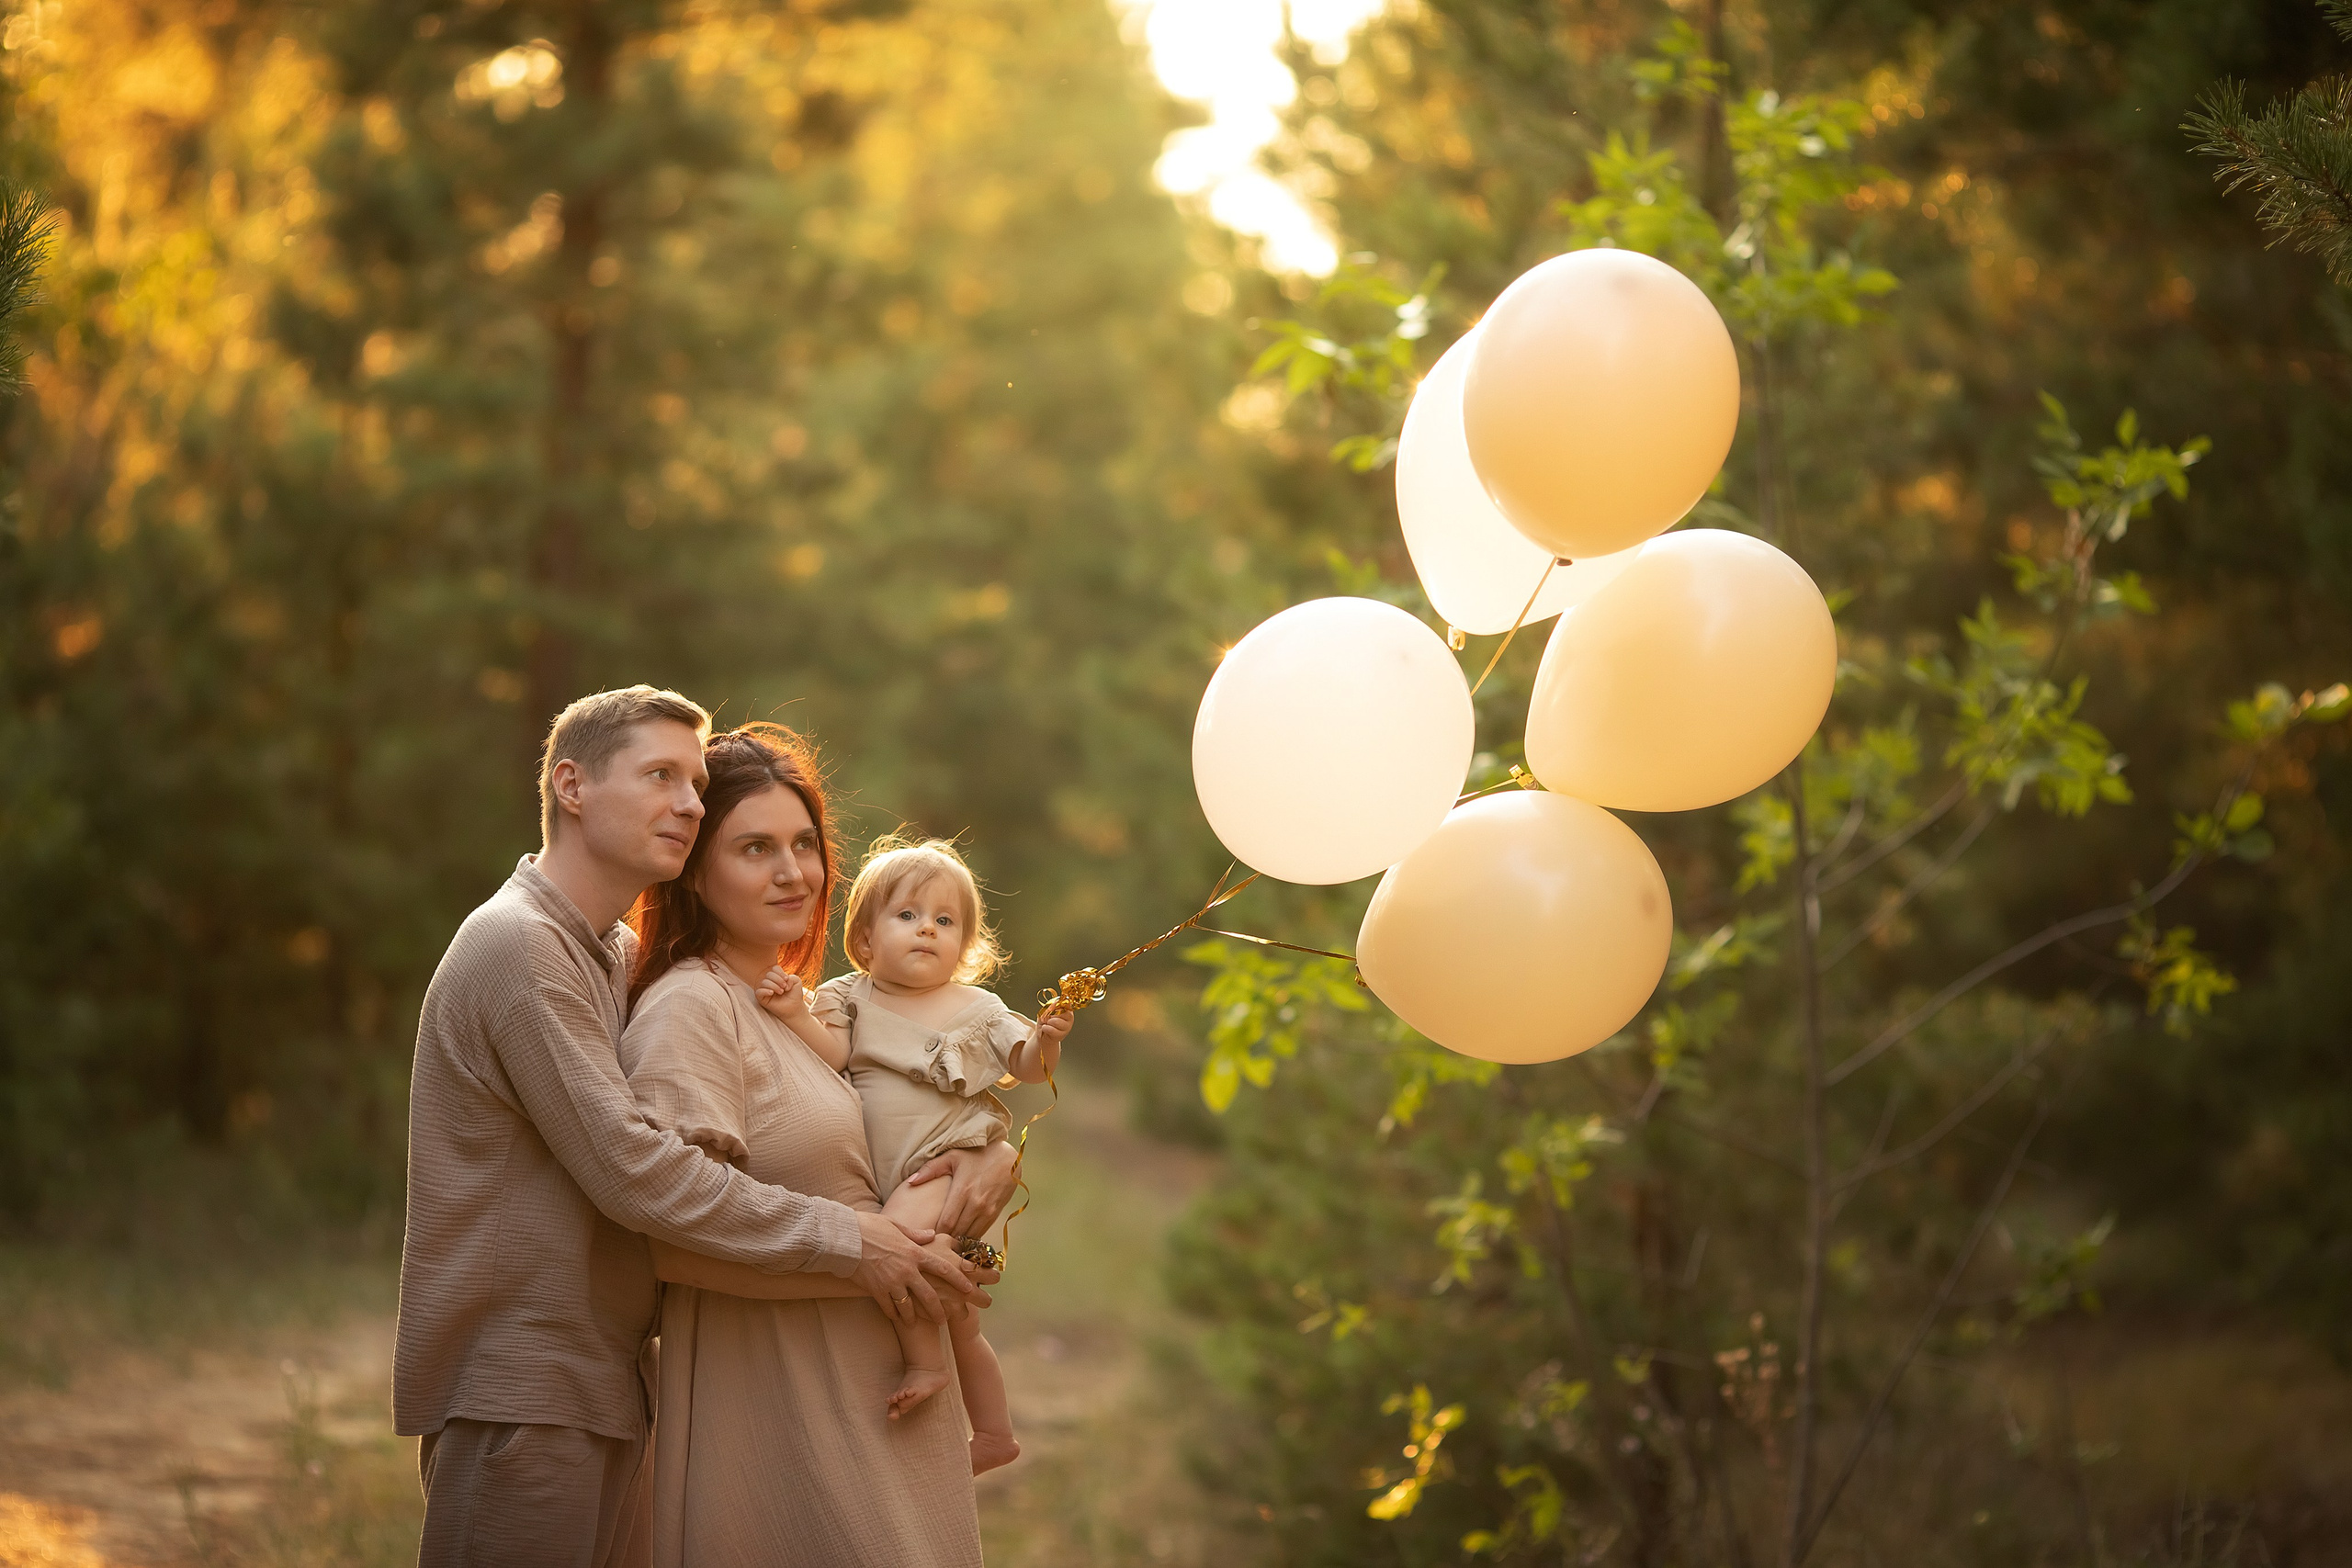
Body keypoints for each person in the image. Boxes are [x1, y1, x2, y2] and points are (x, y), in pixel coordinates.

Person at [394, 687, 1006, 1568]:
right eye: (661, 777)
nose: (685, 800)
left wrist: (981, 1151)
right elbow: (640, 1174)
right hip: (525, 1375)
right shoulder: (523, 945)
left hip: (607, 1375)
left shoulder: (607, 951)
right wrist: (868, 1247)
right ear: (571, 785)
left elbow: (884, 1117)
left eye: (692, 781)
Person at [620, 725, 995, 1567]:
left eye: (804, 843)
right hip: (789, 1411)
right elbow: (666, 1235)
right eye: (755, 847)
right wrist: (867, 1253)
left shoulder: (811, 1008)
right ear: (694, 866)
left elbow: (895, 1142)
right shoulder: (693, 1008)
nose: (793, 871)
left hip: (884, 1395)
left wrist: (986, 1162)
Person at [757, 835, 1070, 1472]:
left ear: (964, 943)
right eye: (907, 915)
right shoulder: (850, 996)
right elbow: (832, 1056)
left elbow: (1028, 1070)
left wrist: (1046, 1037)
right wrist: (795, 1012)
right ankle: (994, 1432)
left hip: (944, 1155)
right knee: (956, 1315)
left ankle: (924, 1366)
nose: (927, 928)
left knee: (894, 1244)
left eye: (944, 920)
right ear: (866, 938)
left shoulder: (979, 1008)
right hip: (885, 1169)